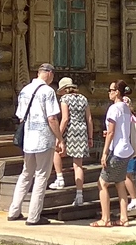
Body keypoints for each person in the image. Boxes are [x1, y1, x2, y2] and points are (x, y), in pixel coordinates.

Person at [6, 63, 62, 226]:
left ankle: (14, 211)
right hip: (44, 139)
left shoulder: (25, 90)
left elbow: (20, 116)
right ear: (49, 74)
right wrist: (60, 138)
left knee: (26, 174)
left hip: (28, 139)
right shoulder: (48, 91)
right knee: (41, 176)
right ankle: (34, 216)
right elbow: (52, 118)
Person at [92, 79, 135, 228]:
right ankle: (124, 218)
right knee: (120, 183)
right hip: (127, 149)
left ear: (117, 92)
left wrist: (104, 153)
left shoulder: (113, 108)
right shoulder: (126, 107)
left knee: (102, 183)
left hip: (116, 151)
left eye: (110, 90)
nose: (109, 93)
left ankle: (105, 219)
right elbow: (120, 128)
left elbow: (110, 132)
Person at [50, 77, 94, 206]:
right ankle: (79, 195)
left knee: (56, 150)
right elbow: (89, 119)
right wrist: (90, 137)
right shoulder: (83, 99)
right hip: (82, 131)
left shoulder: (64, 99)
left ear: (63, 90)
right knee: (78, 165)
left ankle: (59, 178)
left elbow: (65, 119)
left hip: (70, 130)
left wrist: (59, 135)